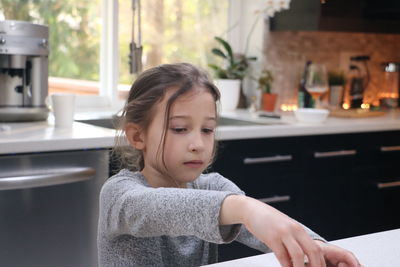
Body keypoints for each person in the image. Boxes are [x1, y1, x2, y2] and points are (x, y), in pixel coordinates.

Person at [98, 63, 362, 267]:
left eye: (207, 129)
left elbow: (260, 228)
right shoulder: (119, 194)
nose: (198, 144)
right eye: (180, 129)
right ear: (137, 136)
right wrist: (244, 207)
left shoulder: (212, 187)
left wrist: (313, 246)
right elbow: (156, 209)